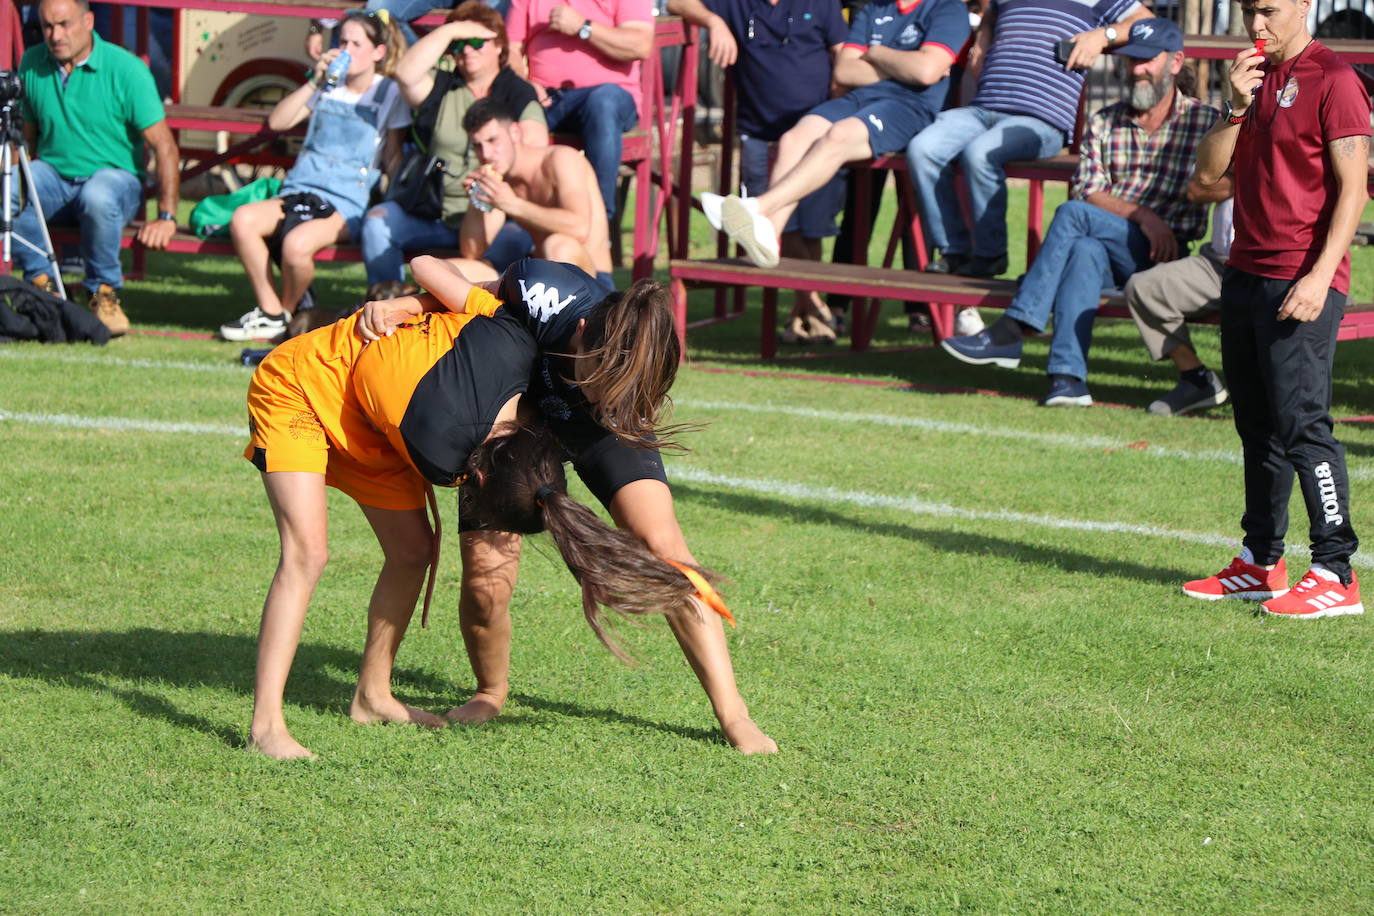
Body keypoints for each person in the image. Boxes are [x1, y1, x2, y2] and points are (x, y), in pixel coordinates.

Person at [362, 256, 778, 755]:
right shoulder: (546, 291)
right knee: (484, 581)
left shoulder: (620, 395)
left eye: (625, 386)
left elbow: (616, 407)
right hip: (513, 426)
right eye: (602, 375)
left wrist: (616, 402)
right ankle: (490, 691)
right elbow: (469, 284)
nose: (605, 393)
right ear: (580, 332)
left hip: (603, 436)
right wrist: (405, 304)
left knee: (669, 552)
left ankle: (733, 712)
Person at [1184, 0, 1369, 619]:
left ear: (1303, 7)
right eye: (1247, 11)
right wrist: (1235, 107)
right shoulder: (1251, 80)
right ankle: (1261, 561)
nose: (1255, 25)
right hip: (1245, 273)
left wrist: (1320, 276)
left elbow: (1354, 191)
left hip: (1303, 278)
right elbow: (1206, 180)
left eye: (1267, 11)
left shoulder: (1335, 80)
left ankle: (1336, 571)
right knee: (1256, 425)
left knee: (1302, 426)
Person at [938, 19, 1219, 407]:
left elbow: (1208, 186)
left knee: (1073, 215)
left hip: (1165, 255)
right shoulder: (1105, 120)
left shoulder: (1205, 121)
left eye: (1147, 61)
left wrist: (1147, 219)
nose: (1136, 70)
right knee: (1083, 249)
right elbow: (1089, 188)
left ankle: (1013, 327)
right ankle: (1068, 381)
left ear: (1174, 63)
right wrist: (1142, 214)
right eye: (1130, 61)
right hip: (1112, 245)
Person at [701, 0, 969, 269]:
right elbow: (844, 70)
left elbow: (925, 71)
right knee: (793, 139)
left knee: (838, 135)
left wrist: (875, 52)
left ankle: (757, 208)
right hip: (859, 98)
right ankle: (770, 231)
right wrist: (904, 64)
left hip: (910, 107)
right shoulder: (874, 8)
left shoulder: (948, 8)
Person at [907, 0, 1149, 279]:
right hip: (984, 108)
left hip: (1042, 120)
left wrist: (1103, 35)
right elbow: (991, 13)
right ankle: (954, 250)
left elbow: (1147, 22)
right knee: (922, 149)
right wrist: (984, 36)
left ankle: (990, 254)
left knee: (980, 153)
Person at [218, 10, 410, 343]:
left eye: (356, 43)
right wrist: (313, 81)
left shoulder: (389, 93)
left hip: (346, 200)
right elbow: (278, 122)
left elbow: (393, 155)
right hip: (300, 187)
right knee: (243, 220)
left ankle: (286, 313)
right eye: (342, 41)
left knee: (296, 246)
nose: (346, 50)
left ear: (378, 52)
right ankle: (272, 312)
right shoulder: (326, 85)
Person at [666, 0, 848, 343]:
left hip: (816, 139)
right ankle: (811, 306)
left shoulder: (822, 3)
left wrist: (841, 99)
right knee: (781, 229)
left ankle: (802, 312)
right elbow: (677, 2)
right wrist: (714, 23)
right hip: (759, 138)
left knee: (811, 230)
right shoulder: (733, 3)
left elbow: (842, 52)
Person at [13, 0, 181, 337]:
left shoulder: (127, 69)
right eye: (47, 26)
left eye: (64, 24)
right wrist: (17, 190)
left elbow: (165, 146)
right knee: (11, 192)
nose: (55, 35)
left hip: (116, 181)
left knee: (98, 194)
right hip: (54, 176)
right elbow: (24, 145)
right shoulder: (32, 63)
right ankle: (44, 286)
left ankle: (104, 293)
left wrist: (166, 217)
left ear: (89, 21)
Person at [361, 2, 550, 288]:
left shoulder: (518, 92)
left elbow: (535, 145)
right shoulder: (442, 86)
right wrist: (453, 29)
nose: (467, 51)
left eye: (476, 42)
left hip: (496, 215)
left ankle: (483, 320)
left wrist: (492, 185)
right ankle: (387, 306)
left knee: (513, 239)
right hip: (432, 211)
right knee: (377, 222)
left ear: (499, 46)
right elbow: (405, 73)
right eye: (458, 46)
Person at [506, 0, 654, 224]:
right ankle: (522, 228)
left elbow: (640, 44)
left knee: (602, 103)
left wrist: (584, 27)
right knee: (513, 116)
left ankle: (598, 223)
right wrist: (522, 84)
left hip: (608, 97)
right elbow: (510, 48)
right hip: (545, 97)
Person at [456, 98, 614, 286]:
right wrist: (478, 198)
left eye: (492, 140)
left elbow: (579, 229)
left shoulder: (561, 159)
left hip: (593, 282)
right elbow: (472, 252)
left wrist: (513, 204)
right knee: (449, 271)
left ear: (515, 133)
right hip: (539, 282)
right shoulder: (501, 179)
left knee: (558, 245)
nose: (486, 154)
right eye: (477, 145)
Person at [1123, 193, 1233, 416]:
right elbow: (1198, 187)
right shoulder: (1227, 157)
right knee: (1144, 287)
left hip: (1274, 265)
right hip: (1218, 263)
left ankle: (1283, 400)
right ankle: (1197, 381)